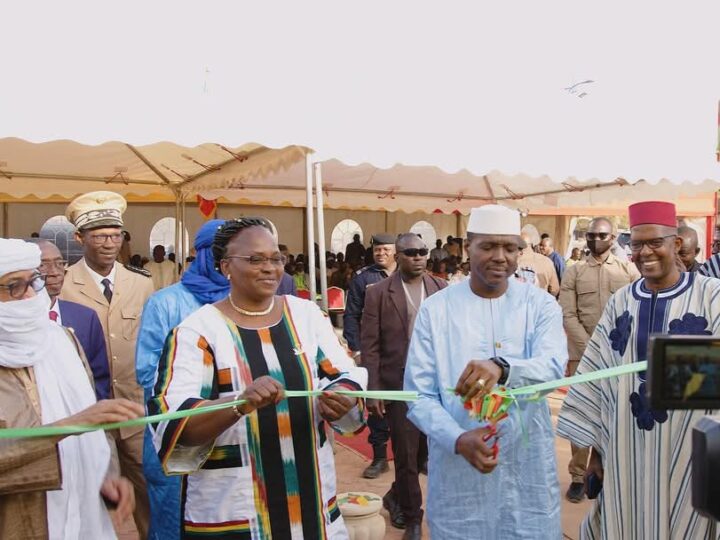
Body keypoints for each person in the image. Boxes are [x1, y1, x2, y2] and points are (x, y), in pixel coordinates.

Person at [149, 218, 367, 538]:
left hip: (311, 503)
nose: (269, 268)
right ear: (225, 266)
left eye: (276, 258)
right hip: (233, 510)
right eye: (255, 259)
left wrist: (342, 397)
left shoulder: (306, 316)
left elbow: (345, 373)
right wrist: (239, 403)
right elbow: (174, 419)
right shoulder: (198, 331)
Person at [557, 201, 719, 539]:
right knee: (625, 521)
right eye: (637, 244)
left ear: (675, 244)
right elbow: (600, 381)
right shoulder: (621, 301)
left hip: (690, 450)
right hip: (625, 449)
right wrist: (597, 454)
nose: (644, 252)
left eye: (654, 242)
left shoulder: (712, 296)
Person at [404, 205, 567, 539]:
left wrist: (504, 369)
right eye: (488, 246)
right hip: (459, 472)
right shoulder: (437, 310)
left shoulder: (541, 306)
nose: (500, 256)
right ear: (468, 247)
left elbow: (552, 367)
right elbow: (418, 395)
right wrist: (457, 438)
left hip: (527, 466)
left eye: (509, 247)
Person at [0, 238, 142, 539]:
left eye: (32, 282)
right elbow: (82, 420)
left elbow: (91, 425)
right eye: (14, 286)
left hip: (80, 514)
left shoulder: (62, 341)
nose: (29, 295)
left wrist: (102, 477)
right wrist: (73, 424)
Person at [60, 191, 154, 537]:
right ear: (80, 238)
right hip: (86, 409)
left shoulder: (141, 283)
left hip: (134, 408)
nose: (109, 243)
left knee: (147, 492)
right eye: (99, 236)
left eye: (115, 235)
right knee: (90, 494)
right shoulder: (64, 284)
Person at [135, 219, 229, 539]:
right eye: (219, 255)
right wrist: (208, 391)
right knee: (173, 522)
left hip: (234, 437)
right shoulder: (165, 303)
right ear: (201, 255)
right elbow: (146, 371)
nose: (226, 265)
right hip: (178, 436)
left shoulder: (250, 307)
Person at [361, 233, 446, 540]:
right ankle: (413, 517)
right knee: (407, 456)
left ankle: (396, 495)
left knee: (424, 456)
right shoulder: (379, 292)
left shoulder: (440, 288)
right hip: (399, 387)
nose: (418, 257)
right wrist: (373, 389)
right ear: (397, 256)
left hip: (435, 388)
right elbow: (369, 346)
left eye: (423, 252)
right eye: (411, 252)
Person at [557, 217, 640, 502]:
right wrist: (592, 348)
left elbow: (637, 310)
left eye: (601, 235)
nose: (594, 240)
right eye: (590, 235)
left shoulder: (628, 270)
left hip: (621, 357)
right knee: (583, 413)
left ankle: (609, 470)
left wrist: (615, 349)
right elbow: (567, 314)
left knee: (617, 414)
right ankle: (579, 476)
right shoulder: (574, 272)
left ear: (613, 236)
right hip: (583, 355)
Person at [343, 233, 397, 478]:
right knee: (377, 405)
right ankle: (379, 457)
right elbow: (351, 315)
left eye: (386, 249)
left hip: (405, 352)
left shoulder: (407, 275)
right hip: (374, 352)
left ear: (396, 251)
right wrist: (357, 349)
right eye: (377, 250)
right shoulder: (363, 278)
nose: (381, 254)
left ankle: (419, 456)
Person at [33, 239, 111, 400]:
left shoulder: (85, 318)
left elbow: (100, 377)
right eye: (43, 265)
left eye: (59, 263)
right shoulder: (10, 323)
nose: (55, 272)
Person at [517, 232, 560, 296]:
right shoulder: (547, 261)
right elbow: (554, 290)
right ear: (531, 244)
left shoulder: (513, 262)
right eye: (541, 245)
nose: (541, 247)